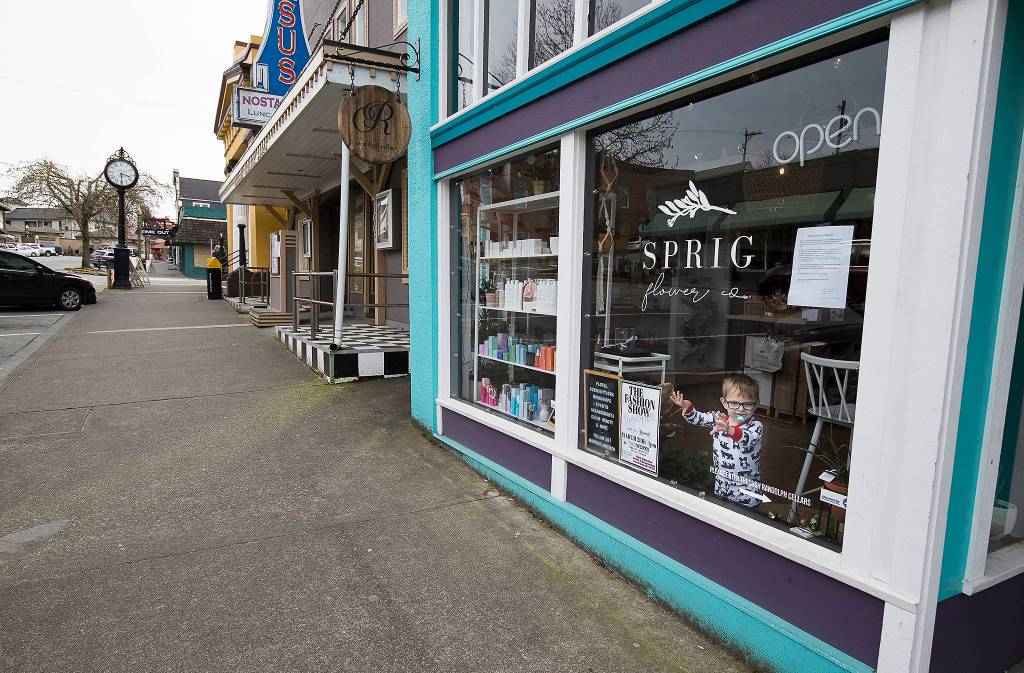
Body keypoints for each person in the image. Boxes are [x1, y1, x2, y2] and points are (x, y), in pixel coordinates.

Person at [670, 373, 765, 508]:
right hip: (721, 486)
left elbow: (748, 439)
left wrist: (729, 429)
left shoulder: (755, 426)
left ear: (756, 405)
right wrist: (688, 407)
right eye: (734, 403)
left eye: (748, 404)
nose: (741, 409)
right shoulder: (719, 418)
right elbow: (698, 418)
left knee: (745, 520)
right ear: (724, 403)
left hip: (747, 491)